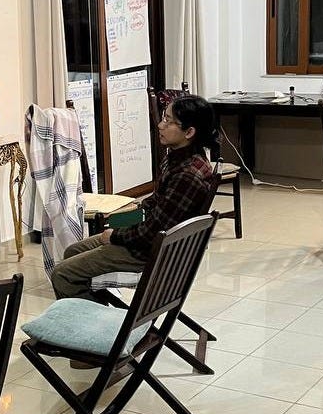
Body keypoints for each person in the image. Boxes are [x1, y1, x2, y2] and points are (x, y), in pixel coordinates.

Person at [49, 94, 218, 299]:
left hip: (149, 252)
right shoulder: (179, 159)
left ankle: (92, 318)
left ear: (189, 132)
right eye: (163, 118)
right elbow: (154, 206)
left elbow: (152, 232)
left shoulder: (187, 175)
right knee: (72, 252)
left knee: (62, 274)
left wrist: (115, 235)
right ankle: (95, 308)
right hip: (152, 241)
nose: (160, 125)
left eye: (168, 121)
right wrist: (122, 218)